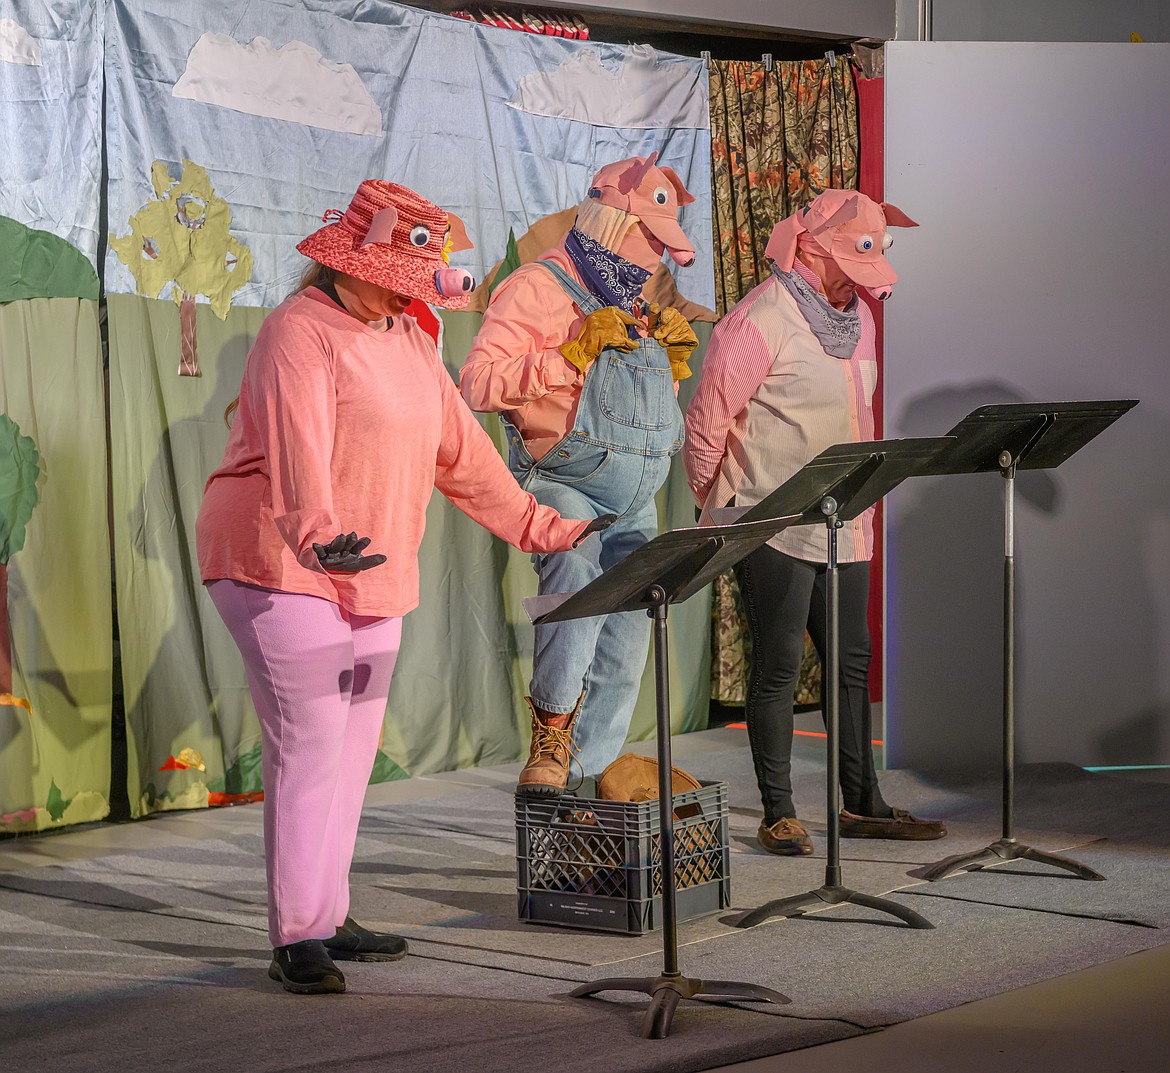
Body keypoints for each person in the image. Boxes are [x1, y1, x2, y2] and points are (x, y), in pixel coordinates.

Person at [195, 180, 611, 994]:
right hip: (275, 558)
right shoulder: (299, 331)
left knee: (351, 752)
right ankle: (297, 933)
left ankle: (327, 907)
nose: (407, 287)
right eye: (392, 270)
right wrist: (315, 535)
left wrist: (546, 527)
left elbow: (463, 457)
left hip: (372, 565)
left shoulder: (412, 343)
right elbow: (297, 451)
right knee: (310, 742)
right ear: (348, 263)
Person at [683, 188, 946, 855]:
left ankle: (863, 802)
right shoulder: (760, 320)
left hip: (844, 513)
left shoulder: (859, 316)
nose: (869, 275)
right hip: (769, 515)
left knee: (850, 661)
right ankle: (779, 810)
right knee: (777, 663)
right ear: (815, 247)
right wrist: (720, 507)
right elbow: (708, 419)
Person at [460, 153, 699, 795]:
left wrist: (668, 365)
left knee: (630, 625)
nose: (655, 260)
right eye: (651, 241)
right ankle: (551, 740)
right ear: (616, 226)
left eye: (663, 246)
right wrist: (568, 353)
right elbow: (476, 384)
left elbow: (636, 414)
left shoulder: (628, 298)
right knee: (576, 568)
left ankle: (586, 785)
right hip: (560, 478)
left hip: (636, 495)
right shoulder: (536, 287)